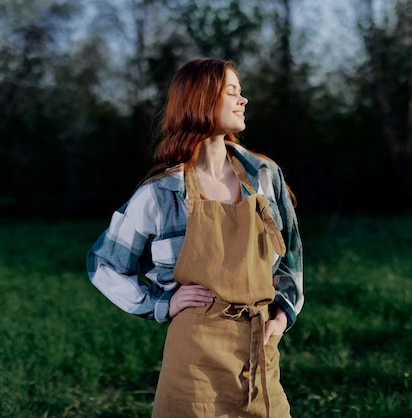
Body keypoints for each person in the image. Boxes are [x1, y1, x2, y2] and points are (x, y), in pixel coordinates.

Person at [86, 58, 304, 418]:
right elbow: (104, 264)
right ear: (201, 101)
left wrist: (282, 314)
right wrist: (161, 304)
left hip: (259, 345)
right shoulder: (162, 192)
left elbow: (292, 253)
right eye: (231, 91)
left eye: (240, 91)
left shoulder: (265, 176)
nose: (243, 100)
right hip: (194, 358)